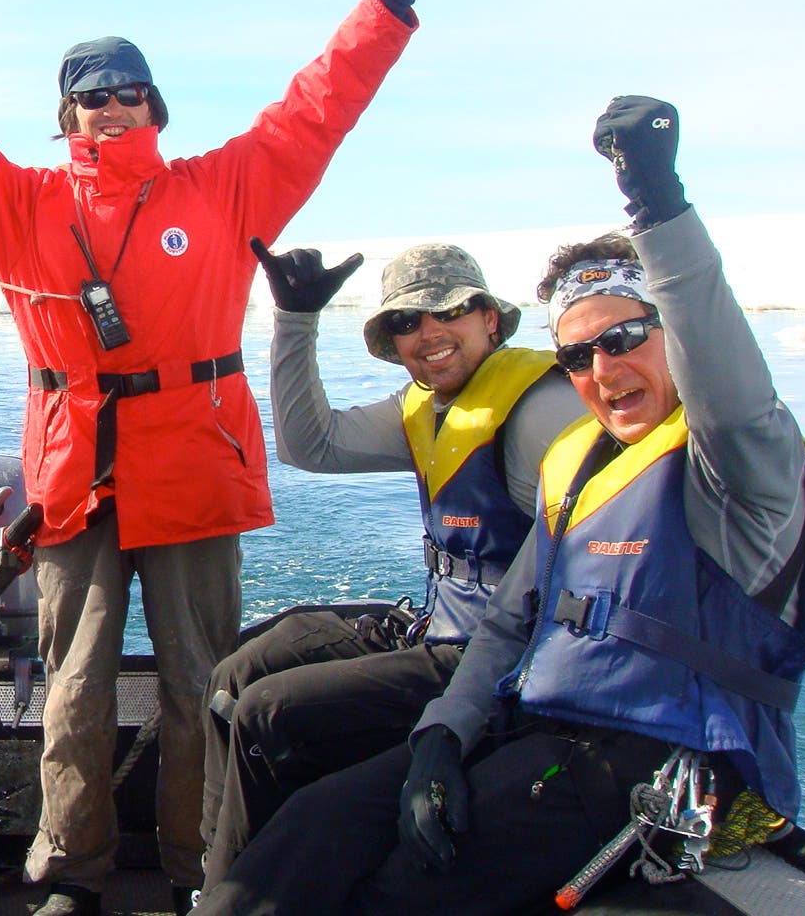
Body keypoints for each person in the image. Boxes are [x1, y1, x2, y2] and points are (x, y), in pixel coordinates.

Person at [0, 0, 450, 916]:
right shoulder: (17, 203)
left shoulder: (226, 188)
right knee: (75, 688)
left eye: (128, 93)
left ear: (156, 106)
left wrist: (385, 9)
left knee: (202, 685)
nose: (110, 109)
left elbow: (318, 108)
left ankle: (198, 868)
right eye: (89, 97)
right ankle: (70, 874)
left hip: (194, 471)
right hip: (74, 479)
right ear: (66, 118)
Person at [195, 96, 805, 915]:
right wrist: (438, 740)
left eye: (624, 338)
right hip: (532, 713)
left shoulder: (738, 472)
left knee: (392, 887)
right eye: (578, 355)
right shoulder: (577, 462)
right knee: (312, 826)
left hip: (667, 754)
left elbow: (729, 383)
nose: (602, 370)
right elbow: (505, 625)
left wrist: (656, 203)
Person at [198, 241, 585, 892]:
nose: (429, 333)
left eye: (450, 311)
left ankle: (240, 893)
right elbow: (309, 444)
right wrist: (295, 319)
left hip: (492, 658)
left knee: (266, 712)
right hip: (434, 627)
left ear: (491, 318)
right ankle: (210, 871)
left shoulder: (541, 413)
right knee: (238, 671)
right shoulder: (428, 407)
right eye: (407, 321)